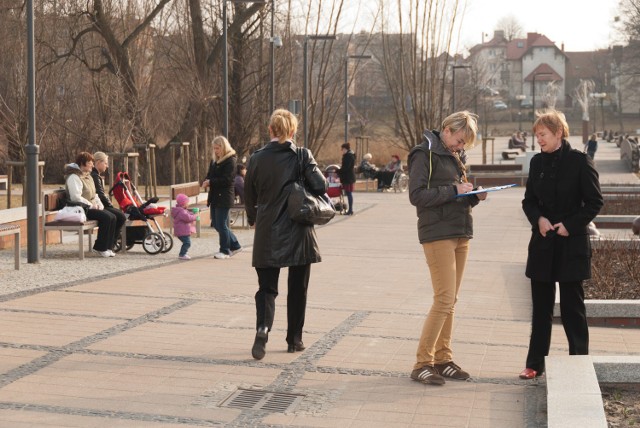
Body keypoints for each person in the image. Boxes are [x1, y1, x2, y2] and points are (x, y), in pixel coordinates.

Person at [519, 110, 603, 380]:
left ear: (558, 133)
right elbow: (528, 201)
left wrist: (570, 225)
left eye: (542, 134)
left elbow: (594, 202)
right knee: (541, 309)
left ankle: (578, 361)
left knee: (572, 308)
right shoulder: (536, 163)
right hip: (543, 244)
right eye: (537, 135)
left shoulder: (580, 162)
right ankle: (534, 364)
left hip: (571, 245)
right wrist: (539, 219)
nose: (538, 140)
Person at [407, 111, 487, 385]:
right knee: (443, 299)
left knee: (451, 301)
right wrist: (454, 191)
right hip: (437, 233)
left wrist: (472, 196)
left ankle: (443, 358)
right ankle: (422, 363)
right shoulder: (424, 153)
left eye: (465, 144)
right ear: (447, 130)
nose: (461, 147)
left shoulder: (455, 158)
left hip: (460, 230)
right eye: (460, 140)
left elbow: (456, 193)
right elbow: (416, 196)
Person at [244, 108, 327, 360]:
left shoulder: (256, 158)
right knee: (297, 288)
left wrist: (253, 220)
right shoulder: (302, 155)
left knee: (267, 288)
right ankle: (294, 339)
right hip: (298, 231)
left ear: (270, 129)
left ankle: (263, 329)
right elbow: (321, 186)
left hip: (268, 231)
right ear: (293, 131)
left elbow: (249, 195)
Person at [64, 152, 119, 258]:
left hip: (89, 207)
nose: (92, 165)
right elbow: (76, 197)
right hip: (79, 209)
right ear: (83, 163)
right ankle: (100, 248)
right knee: (106, 217)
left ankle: (107, 247)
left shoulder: (87, 176)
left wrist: (99, 205)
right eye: (90, 163)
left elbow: (95, 194)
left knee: (112, 216)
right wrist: (92, 205)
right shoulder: (73, 177)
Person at [202, 136, 242, 259]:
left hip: (224, 197)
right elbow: (210, 174)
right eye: (214, 148)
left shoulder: (231, 160)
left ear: (223, 147)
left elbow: (228, 180)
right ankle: (235, 245)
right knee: (217, 224)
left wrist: (211, 182)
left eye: (218, 148)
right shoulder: (214, 160)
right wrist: (206, 180)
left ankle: (225, 250)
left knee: (221, 224)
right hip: (214, 196)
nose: (216, 151)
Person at [90, 152, 126, 250]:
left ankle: (110, 245)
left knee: (120, 215)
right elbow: (100, 195)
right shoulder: (94, 176)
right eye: (105, 163)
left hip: (99, 204)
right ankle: (108, 245)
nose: (107, 165)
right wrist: (110, 205)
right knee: (119, 216)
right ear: (98, 162)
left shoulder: (96, 175)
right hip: (97, 205)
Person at [171, 193, 197, 260]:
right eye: (187, 203)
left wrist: (192, 214)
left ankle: (183, 253)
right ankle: (182, 254)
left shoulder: (181, 210)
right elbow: (188, 218)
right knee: (187, 243)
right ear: (183, 203)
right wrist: (195, 216)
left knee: (186, 242)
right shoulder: (181, 211)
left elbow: (187, 214)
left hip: (182, 230)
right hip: (182, 231)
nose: (188, 204)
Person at [338, 142, 356, 215]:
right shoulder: (350, 155)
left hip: (348, 177)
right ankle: (350, 209)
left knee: (349, 193)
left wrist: (338, 171)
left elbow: (346, 167)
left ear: (345, 149)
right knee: (348, 193)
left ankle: (350, 210)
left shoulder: (348, 156)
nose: (342, 151)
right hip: (349, 177)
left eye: (342, 149)